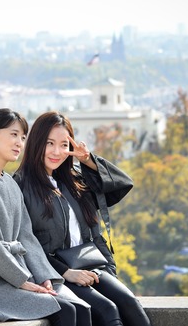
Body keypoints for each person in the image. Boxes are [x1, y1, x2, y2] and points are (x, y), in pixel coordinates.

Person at [0, 108, 91, 326]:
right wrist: (21, 280)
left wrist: (43, 276)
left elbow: (26, 237)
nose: (19, 143)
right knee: (64, 311)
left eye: (23, 137)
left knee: (81, 309)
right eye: (13, 135)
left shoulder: (11, 184)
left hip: (16, 274)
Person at [14, 111, 152, 326]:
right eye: (49, 143)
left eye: (64, 144)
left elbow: (122, 184)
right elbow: (25, 243)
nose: (57, 152)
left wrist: (87, 160)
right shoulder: (21, 186)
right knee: (108, 310)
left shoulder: (75, 179)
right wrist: (65, 272)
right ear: (36, 143)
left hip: (93, 264)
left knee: (130, 303)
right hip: (57, 272)